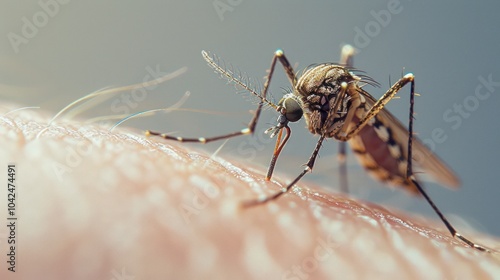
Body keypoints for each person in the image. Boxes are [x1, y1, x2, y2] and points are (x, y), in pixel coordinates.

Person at [1, 104, 498, 280]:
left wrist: (307, 169)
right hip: (351, 124)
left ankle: (453, 229)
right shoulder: (301, 98)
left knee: (398, 86)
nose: (284, 123)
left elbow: (344, 116)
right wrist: (249, 131)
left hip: (380, 141)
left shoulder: (332, 103)